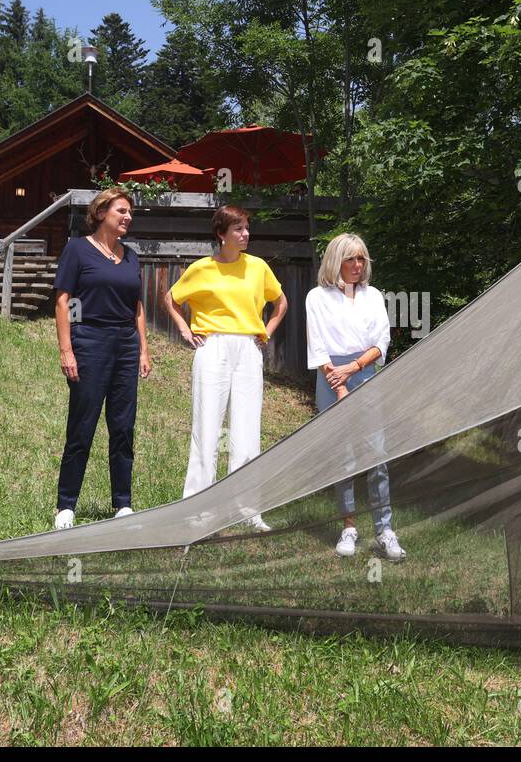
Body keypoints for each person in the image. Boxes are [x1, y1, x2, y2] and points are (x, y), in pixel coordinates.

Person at [164, 205, 287, 531]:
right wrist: (184, 328)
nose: (245, 234)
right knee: (207, 426)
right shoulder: (202, 269)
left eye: (247, 228)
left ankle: (247, 510)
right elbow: (171, 299)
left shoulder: (258, 267)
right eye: (238, 229)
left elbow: (281, 303)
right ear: (221, 234)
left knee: (247, 429)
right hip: (213, 347)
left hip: (248, 348)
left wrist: (267, 332)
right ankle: (198, 508)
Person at [52, 187, 152, 529]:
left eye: (130, 213)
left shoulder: (131, 255)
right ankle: (66, 504)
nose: (127, 217)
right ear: (100, 213)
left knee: (123, 427)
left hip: (125, 345)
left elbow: (137, 306)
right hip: (89, 341)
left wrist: (143, 349)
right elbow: (63, 301)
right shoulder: (77, 250)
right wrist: (66, 349)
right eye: (121, 211)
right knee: (82, 425)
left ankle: (122, 503)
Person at [305, 233, 404, 561]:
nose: (358, 265)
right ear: (336, 261)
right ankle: (348, 526)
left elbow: (382, 340)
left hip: (364, 373)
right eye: (351, 259)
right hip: (330, 378)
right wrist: (340, 384)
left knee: (376, 453)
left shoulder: (373, 295)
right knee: (343, 456)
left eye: (362, 259)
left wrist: (354, 369)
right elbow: (318, 347)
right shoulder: (316, 298)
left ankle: (385, 529)